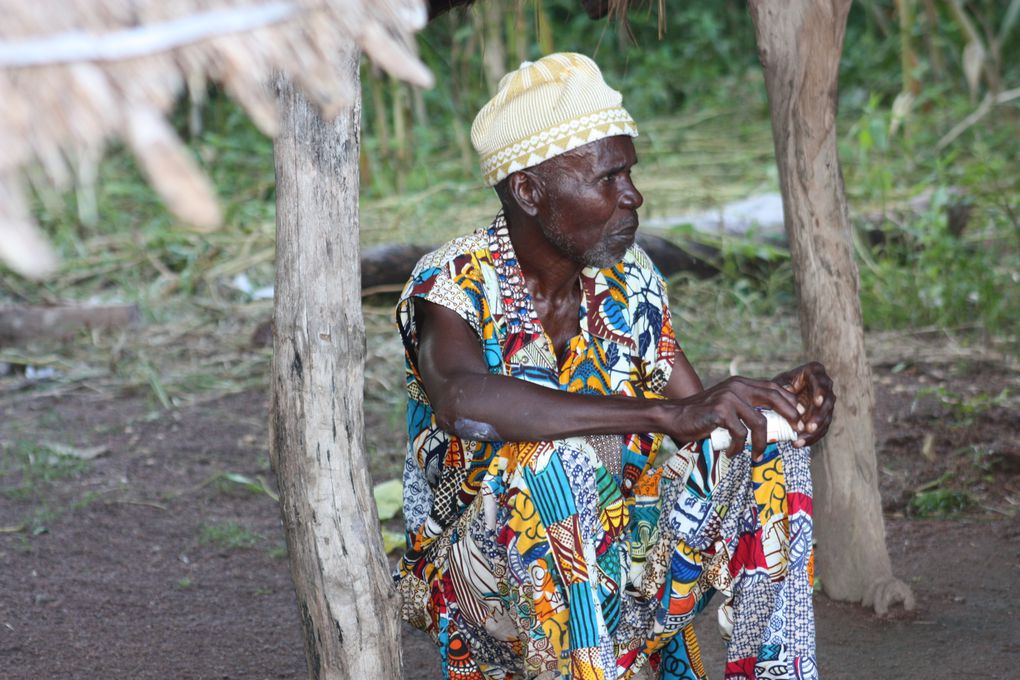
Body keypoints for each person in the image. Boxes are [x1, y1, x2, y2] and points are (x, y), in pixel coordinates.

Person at [394, 53, 835, 680]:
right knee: (553, 461)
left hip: (619, 564)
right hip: (487, 584)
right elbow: (462, 400)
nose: (633, 195)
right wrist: (662, 412)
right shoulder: (455, 281)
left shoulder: (628, 280)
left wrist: (776, 406)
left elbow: (698, 416)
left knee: (767, 451)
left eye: (629, 173)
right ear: (528, 190)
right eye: (607, 179)